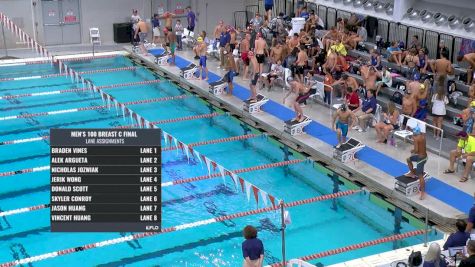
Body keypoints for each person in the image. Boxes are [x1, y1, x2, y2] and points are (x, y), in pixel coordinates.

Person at [404, 125, 427, 200]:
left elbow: (416, 150)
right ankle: (412, 173)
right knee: (408, 159)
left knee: (420, 175)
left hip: (421, 159)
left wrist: (412, 151)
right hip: (425, 156)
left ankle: (422, 193)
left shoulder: (416, 138)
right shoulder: (423, 136)